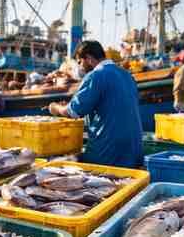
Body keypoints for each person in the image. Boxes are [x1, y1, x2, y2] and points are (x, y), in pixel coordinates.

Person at [48, 40, 143, 168]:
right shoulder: (127, 75)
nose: (80, 67)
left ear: (88, 59)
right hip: (134, 153)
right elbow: (110, 104)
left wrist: (55, 108)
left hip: (108, 154)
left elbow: (73, 112)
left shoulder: (96, 75)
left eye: (80, 62)